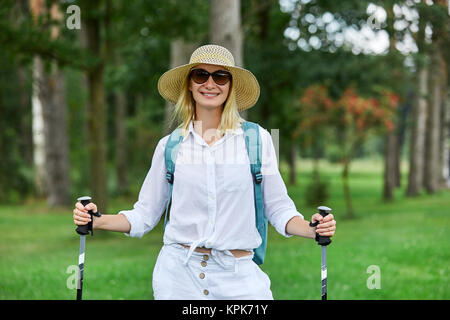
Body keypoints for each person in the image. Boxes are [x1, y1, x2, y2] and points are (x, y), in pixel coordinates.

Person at [72, 44, 336, 300]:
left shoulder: (258, 140)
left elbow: (278, 208)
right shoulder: (170, 146)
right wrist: (96, 220)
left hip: (239, 277)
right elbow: (145, 214)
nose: (210, 84)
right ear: (189, 83)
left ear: (230, 86)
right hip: (179, 277)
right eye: (201, 75)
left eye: (221, 76)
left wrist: (313, 229)